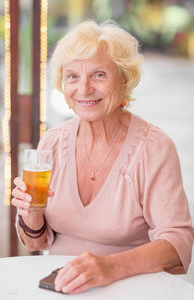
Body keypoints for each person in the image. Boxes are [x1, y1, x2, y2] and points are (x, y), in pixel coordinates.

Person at [12, 20, 194, 294]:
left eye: (98, 75)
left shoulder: (153, 147)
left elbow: (178, 241)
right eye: (72, 76)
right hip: (64, 287)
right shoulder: (52, 141)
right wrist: (31, 214)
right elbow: (35, 244)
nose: (83, 89)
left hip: (135, 290)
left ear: (123, 79)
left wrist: (110, 267)